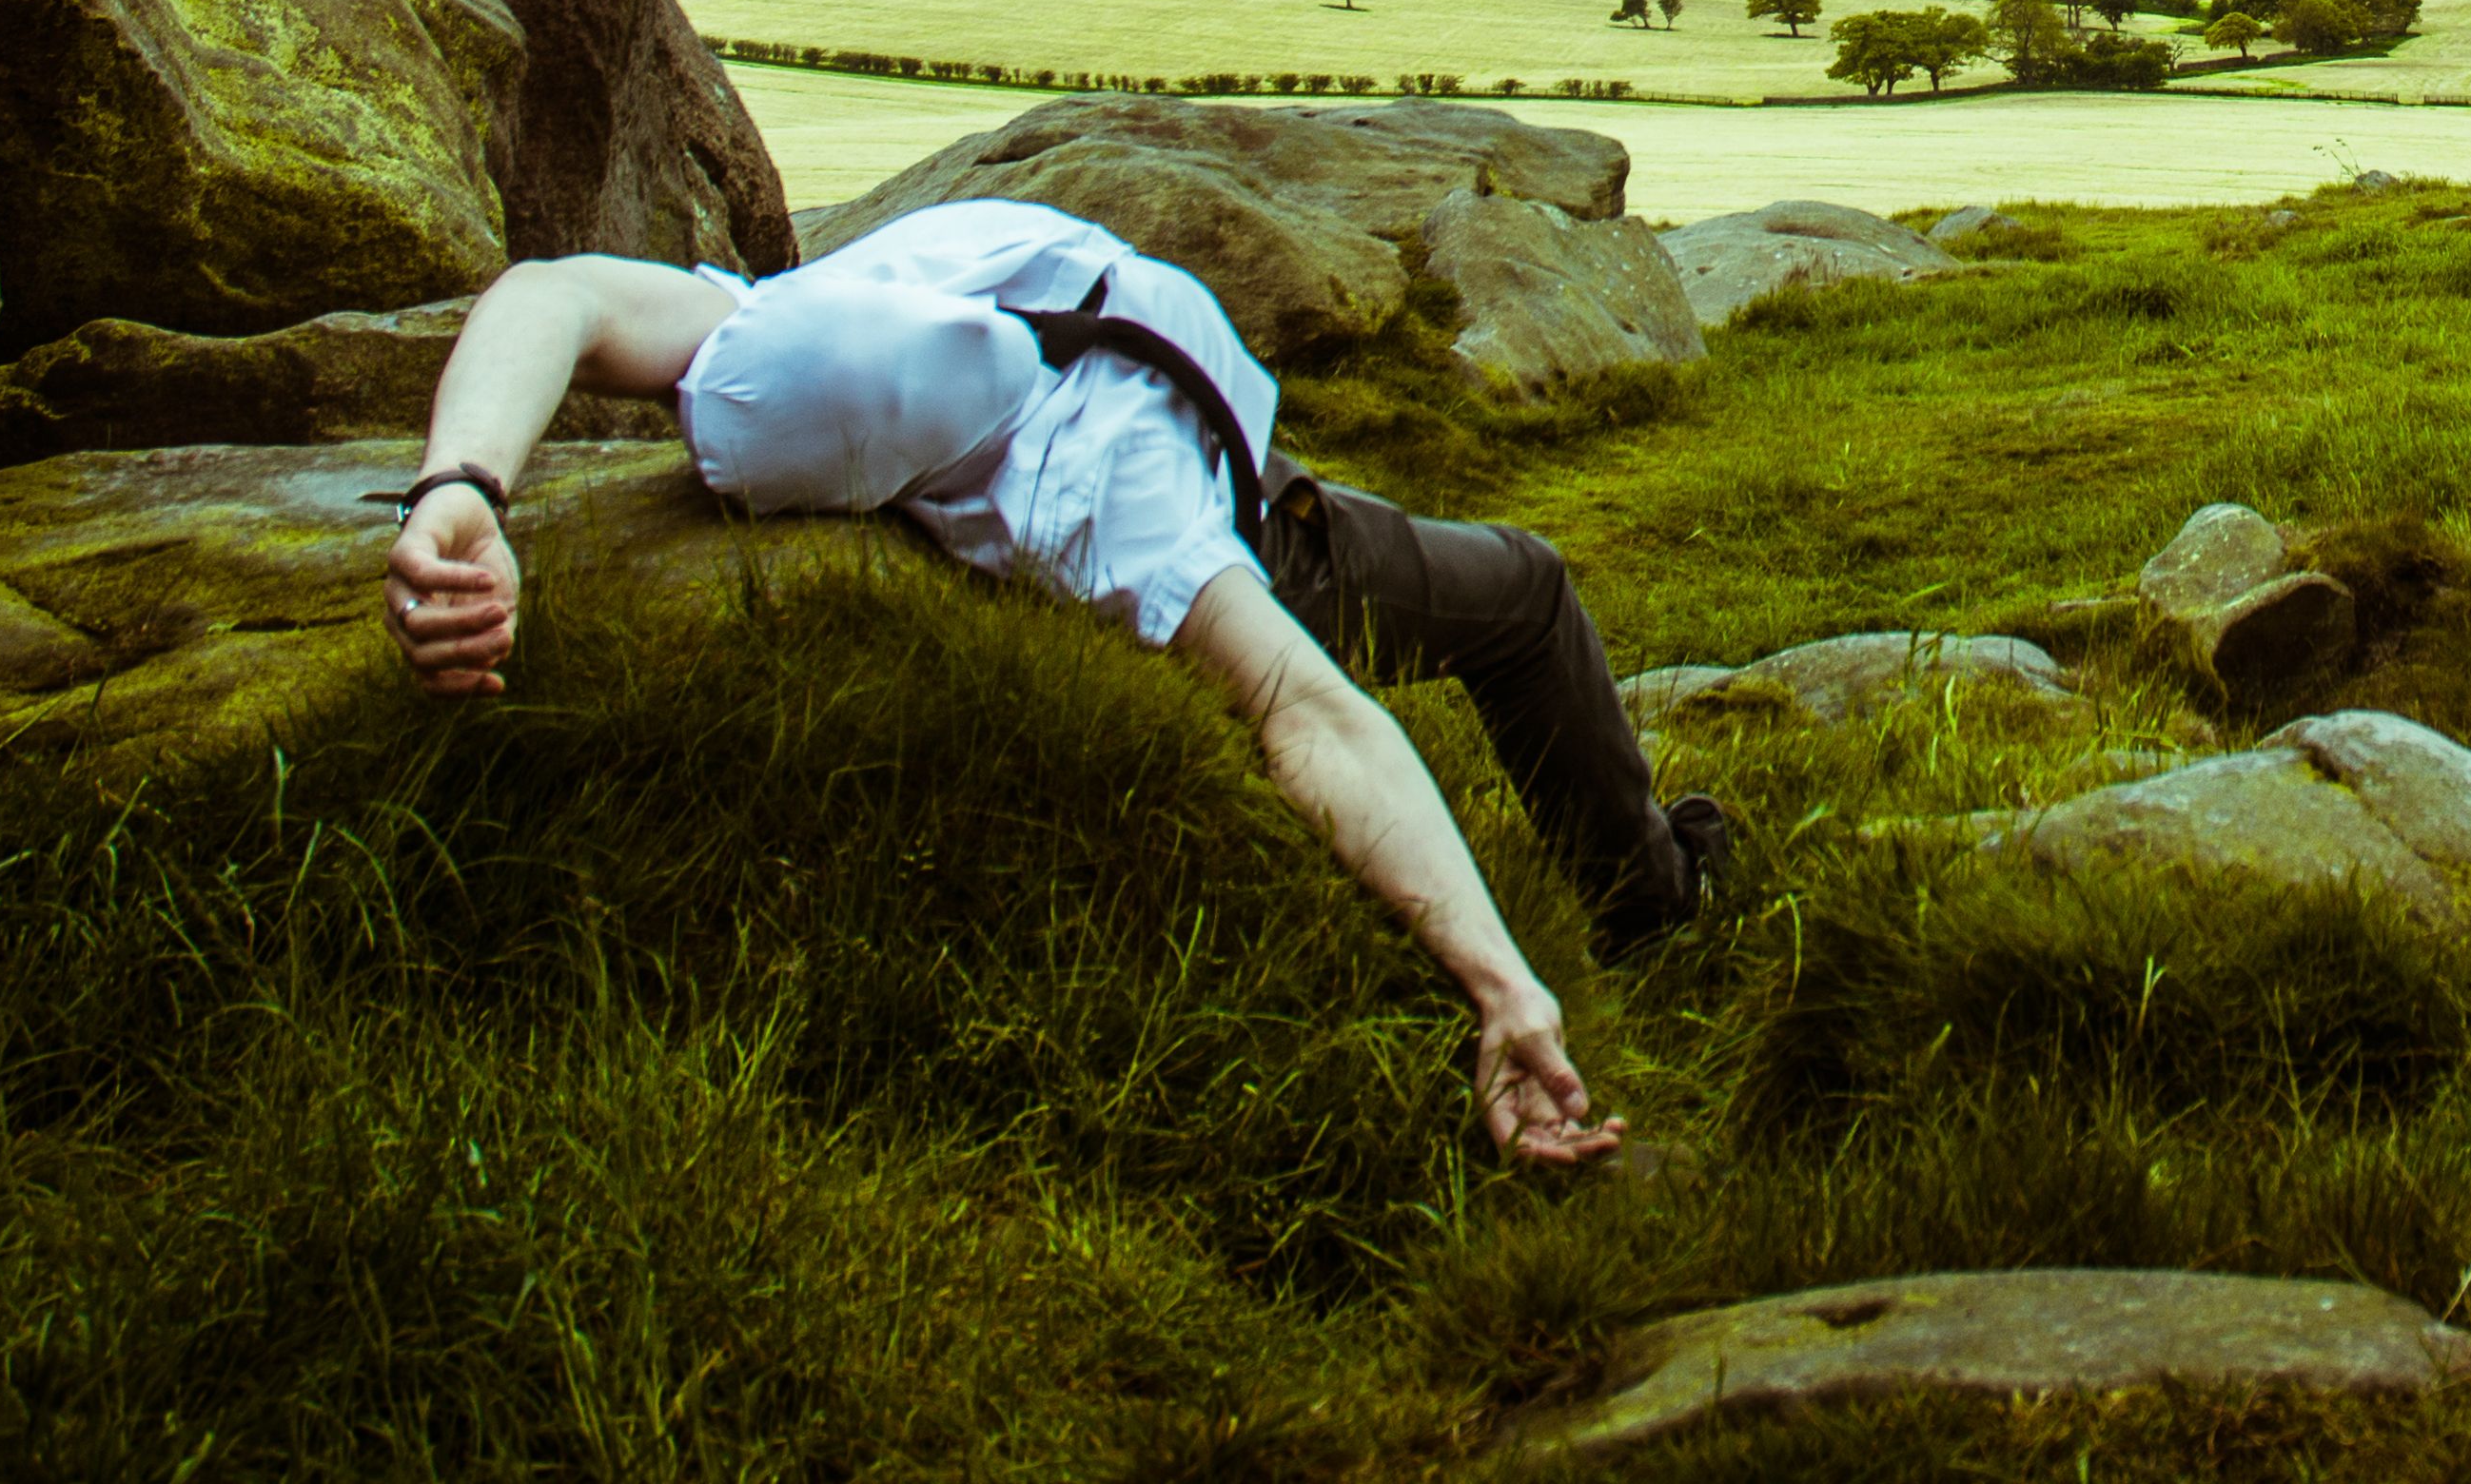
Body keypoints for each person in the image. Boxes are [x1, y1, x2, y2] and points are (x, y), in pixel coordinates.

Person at [374, 195, 1718, 1166]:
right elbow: (1314, 718)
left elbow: (557, 294)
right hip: (1251, 519)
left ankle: (1644, 882)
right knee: (1526, 590)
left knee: (1504, 578)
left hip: (1182, 401)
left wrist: (459, 485)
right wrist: (1502, 984)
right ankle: (1655, 906)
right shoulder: (1101, 508)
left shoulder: (802, 316)